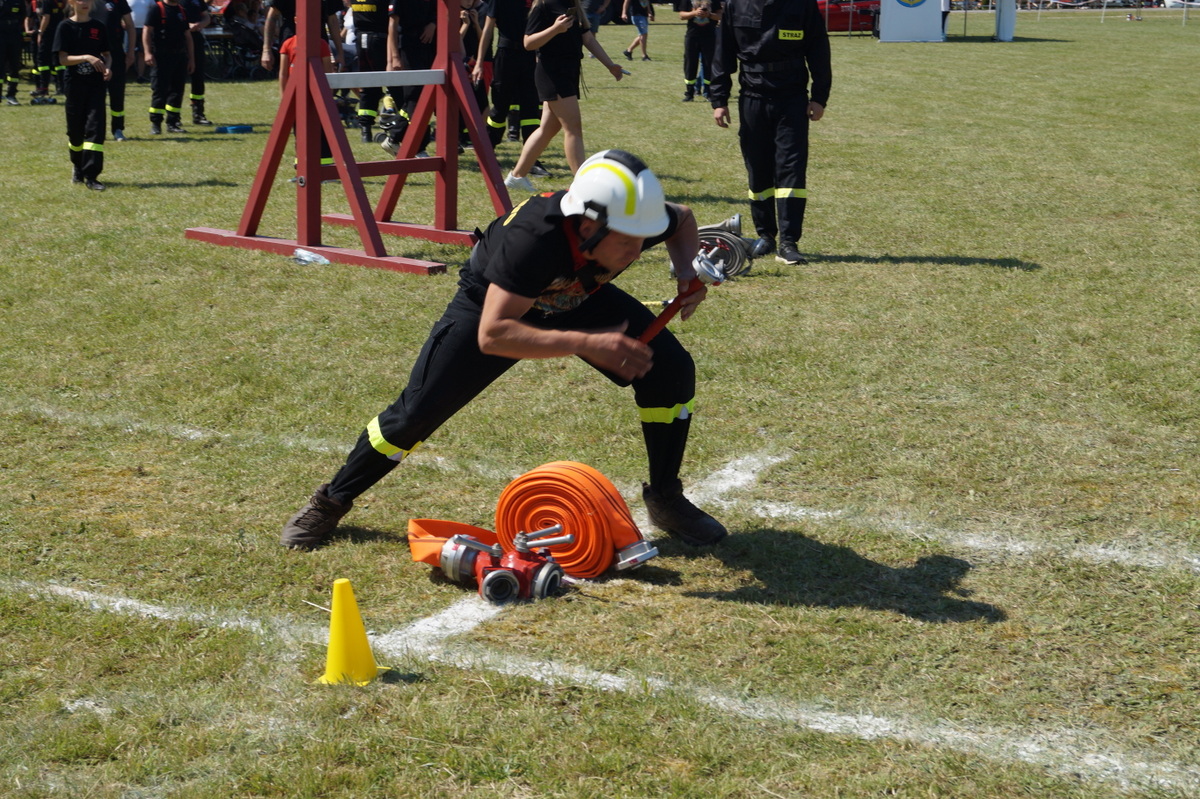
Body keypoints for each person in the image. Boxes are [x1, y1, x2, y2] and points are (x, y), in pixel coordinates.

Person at [282, 149, 728, 551]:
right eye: (628, 242)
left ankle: (666, 497)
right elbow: (494, 334)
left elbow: (683, 218)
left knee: (670, 371)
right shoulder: (534, 239)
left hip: (575, 298)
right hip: (492, 309)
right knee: (414, 414)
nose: (636, 251)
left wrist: (686, 274)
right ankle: (332, 500)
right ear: (588, 226)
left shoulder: (625, 219)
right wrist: (587, 343)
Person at [709, 0, 830, 266]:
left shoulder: (802, 5)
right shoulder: (735, 5)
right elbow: (723, 54)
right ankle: (766, 236)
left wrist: (819, 97)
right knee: (757, 167)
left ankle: (789, 242)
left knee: (791, 168)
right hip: (752, 97)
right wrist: (718, 100)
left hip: (792, 99)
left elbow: (819, 49)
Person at [503, 0, 623, 191]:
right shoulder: (543, 5)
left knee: (547, 130)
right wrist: (555, 29)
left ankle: (516, 177)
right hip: (552, 73)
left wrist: (610, 65)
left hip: (568, 72)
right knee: (573, 128)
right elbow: (528, 43)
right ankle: (582, 184)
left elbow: (588, 39)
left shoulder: (573, 5)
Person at [472, 0, 550, 177]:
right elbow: (488, 29)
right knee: (500, 109)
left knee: (531, 111)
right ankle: (486, 154)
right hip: (505, 57)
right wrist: (479, 63)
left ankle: (531, 161)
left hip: (530, 57)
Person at [53, 0, 110, 189]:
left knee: (95, 128)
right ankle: (77, 165)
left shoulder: (98, 26)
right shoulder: (65, 27)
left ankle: (92, 176)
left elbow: (107, 54)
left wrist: (108, 68)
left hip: (96, 87)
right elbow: (63, 59)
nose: (85, 3)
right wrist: (86, 57)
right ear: (71, 2)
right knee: (75, 133)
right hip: (74, 86)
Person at [379, 0, 436, 155]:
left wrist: (433, 23)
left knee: (419, 98)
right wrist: (394, 58)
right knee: (414, 99)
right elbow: (392, 24)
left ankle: (396, 139)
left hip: (427, 48)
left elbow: (438, 12)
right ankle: (416, 146)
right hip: (408, 49)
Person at [142, 0, 195, 133]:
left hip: (180, 57)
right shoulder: (156, 9)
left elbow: (187, 36)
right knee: (160, 90)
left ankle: (173, 123)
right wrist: (148, 53)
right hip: (161, 57)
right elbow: (147, 30)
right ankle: (156, 124)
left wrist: (191, 59)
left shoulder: (182, 11)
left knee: (177, 91)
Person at [90, 0, 134, 138]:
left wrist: (131, 51)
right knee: (94, 95)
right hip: (93, 54)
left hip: (116, 54)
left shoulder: (119, 1)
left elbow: (130, 26)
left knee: (117, 93)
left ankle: (117, 128)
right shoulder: (88, 2)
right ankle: (95, 129)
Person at [674, 0, 720, 102]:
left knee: (709, 64)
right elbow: (681, 15)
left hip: (709, 37)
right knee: (690, 64)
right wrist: (694, 13)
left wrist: (709, 14)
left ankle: (708, 92)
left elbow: (720, 15)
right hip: (692, 36)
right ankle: (689, 93)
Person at [183, 0, 210, 124]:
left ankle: (198, 113)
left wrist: (200, 24)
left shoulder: (198, 1)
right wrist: (186, 26)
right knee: (176, 80)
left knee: (198, 77)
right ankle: (173, 118)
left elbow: (206, 17)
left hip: (196, 39)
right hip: (179, 40)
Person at [0, 0, 28, 104]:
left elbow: (23, 15)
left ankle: (11, 94)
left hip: (14, 34)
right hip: (1, 33)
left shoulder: (18, 1)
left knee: (14, 66)